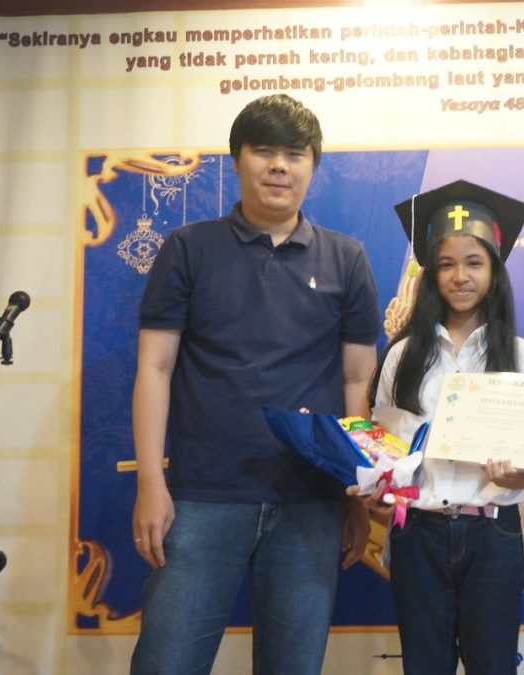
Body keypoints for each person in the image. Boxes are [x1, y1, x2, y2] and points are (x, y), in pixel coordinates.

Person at [129, 94, 381, 675]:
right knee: (166, 663)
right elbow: (154, 368)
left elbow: (358, 378)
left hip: (310, 501)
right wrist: (150, 482)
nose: (279, 167)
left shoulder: (346, 259)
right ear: (237, 159)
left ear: (313, 166)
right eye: (264, 151)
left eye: (295, 154)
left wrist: (357, 489)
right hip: (201, 496)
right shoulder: (188, 249)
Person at [361, 179, 524, 675]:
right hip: (418, 532)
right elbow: (385, 444)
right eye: (446, 264)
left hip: (493, 533)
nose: (460, 276)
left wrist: (521, 474)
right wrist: (376, 486)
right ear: (430, 273)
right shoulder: (403, 356)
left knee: (494, 666)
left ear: (495, 270)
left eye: (474, 263)